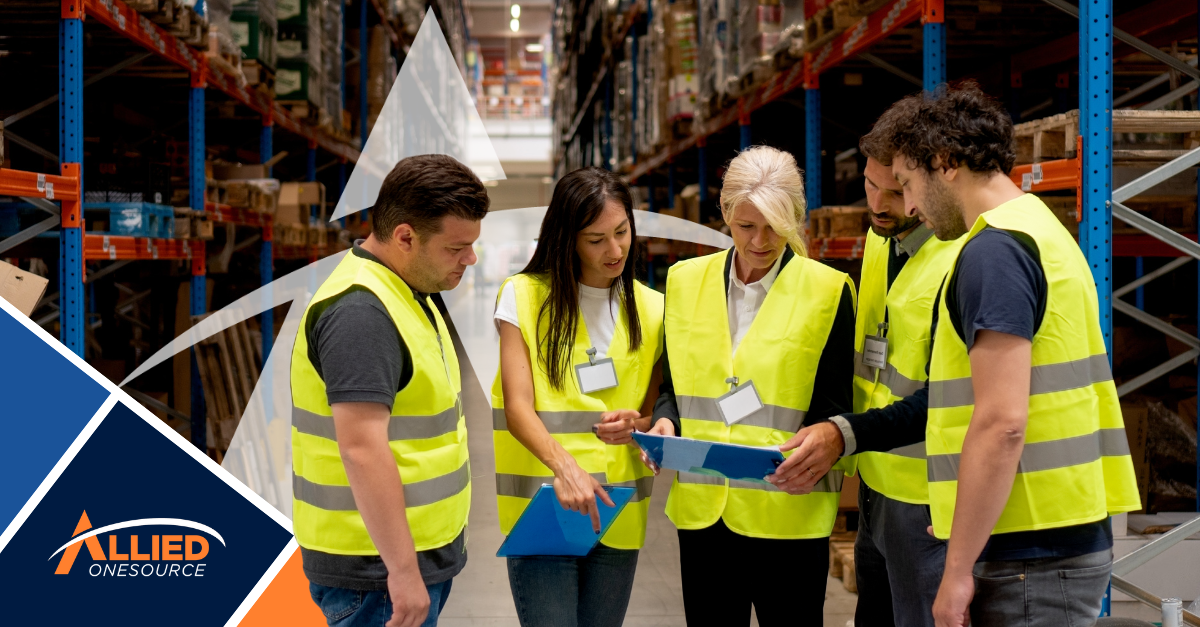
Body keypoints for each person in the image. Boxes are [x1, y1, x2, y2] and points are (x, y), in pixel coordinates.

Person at [771, 83, 1141, 627]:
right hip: (1045, 533)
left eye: (907, 184)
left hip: (1028, 549)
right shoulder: (1035, 225)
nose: (910, 205)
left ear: (944, 163)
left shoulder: (992, 253)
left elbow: (1001, 423)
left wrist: (957, 570)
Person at [652, 145, 856, 626]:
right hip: (704, 514)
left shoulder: (828, 291)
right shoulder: (684, 282)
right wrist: (665, 419)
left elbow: (834, 406)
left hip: (787, 514)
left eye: (775, 228)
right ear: (724, 214)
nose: (761, 241)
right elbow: (673, 385)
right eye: (746, 226)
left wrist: (821, 444)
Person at [291, 154, 488, 627]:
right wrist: (402, 572)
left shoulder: (406, 291)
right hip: (374, 571)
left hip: (401, 557)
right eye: (457, 247)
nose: (471, 259)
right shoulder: (362, 312)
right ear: (405, 237)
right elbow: (362, 449)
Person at [491, 167, 669, 627]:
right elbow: (517, 406)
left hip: (618, 510)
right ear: (567, 237)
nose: (614, 251)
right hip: (547, 506)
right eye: (596, 239)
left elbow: (652, 411)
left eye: (622, 232)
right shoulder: (523, 297)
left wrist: (642, 427)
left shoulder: (653, 308)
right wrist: (566, 469)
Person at [842, 119, 961, 626]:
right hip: (876, 478)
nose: (879, 204)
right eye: (870, 184)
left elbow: (952, 394)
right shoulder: (878, 239)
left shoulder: (959, 254)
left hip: (927, 495)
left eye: (895, 191)